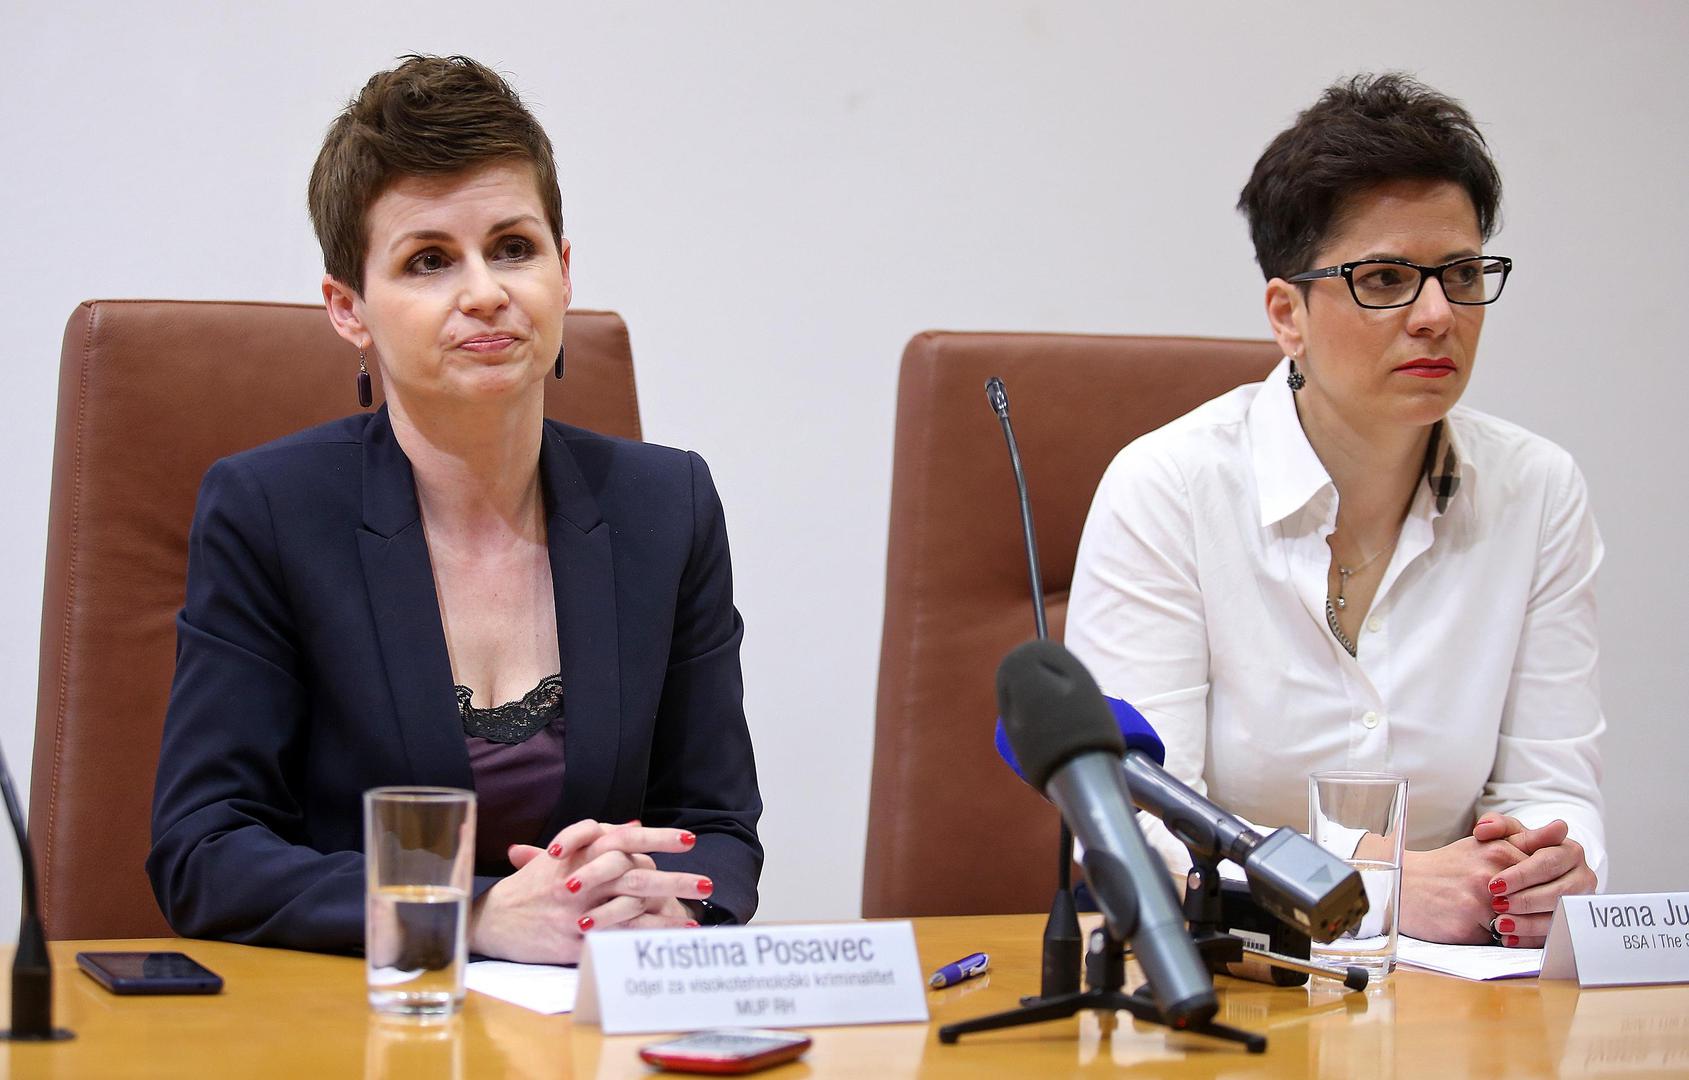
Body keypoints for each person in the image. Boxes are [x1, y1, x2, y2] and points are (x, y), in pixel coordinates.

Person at [147, 55, 761, 962]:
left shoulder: (668, 507)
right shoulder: (267, 512)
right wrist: (467, 915)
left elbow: (715, 826)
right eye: (428, 260)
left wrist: (669, 910)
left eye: (513, 247)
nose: (484, 292)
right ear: (349, 309)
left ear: (562, 271)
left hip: (589, 1011)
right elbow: (204, 851)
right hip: (361, 1014)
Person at [1066, 74, 1603, 949]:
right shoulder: (1168, 487)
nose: (1437, 315)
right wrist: (1374, 888)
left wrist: (1547, 870)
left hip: (1463, 987)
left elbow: (1554, 784)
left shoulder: (1537, 489)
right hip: (1230, 978)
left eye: (1461, 274)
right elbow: (1132, 824)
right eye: (1385, 278)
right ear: (1288, 314)